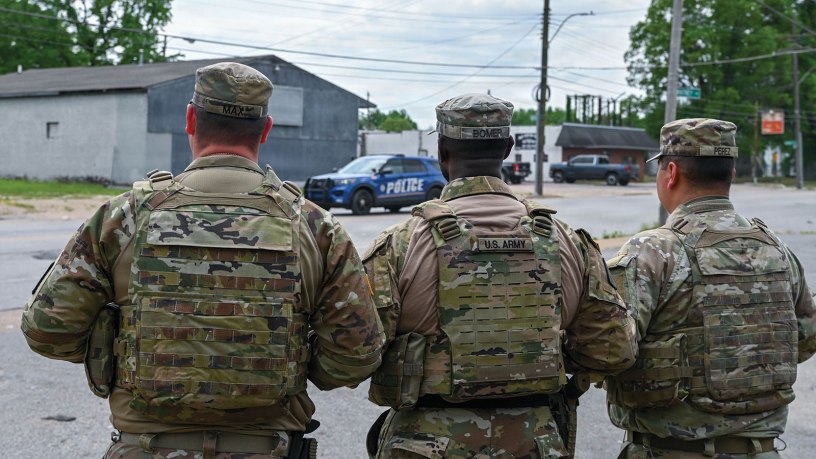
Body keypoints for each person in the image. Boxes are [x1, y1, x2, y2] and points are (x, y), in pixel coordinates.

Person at [21, 62, 384, 459]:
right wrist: (286, 365)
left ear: (190, 119)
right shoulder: (316, 227)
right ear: (265, 128)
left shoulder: (123, 218)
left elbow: (47, 331)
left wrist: (122, 352)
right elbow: (356, 355)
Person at [362, 93, 637, 458]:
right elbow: (613, 351)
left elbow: (352, 354)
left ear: (442, 150)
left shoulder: (399, 245)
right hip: (536, 442)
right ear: (507, 148)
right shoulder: (569, 242)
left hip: (423, 443)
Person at [605, 118, 816, 458]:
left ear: (670, 173)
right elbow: (804, 340)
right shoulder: (776, 248)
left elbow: (610, 351)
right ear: (731, 174)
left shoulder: (653, 250)